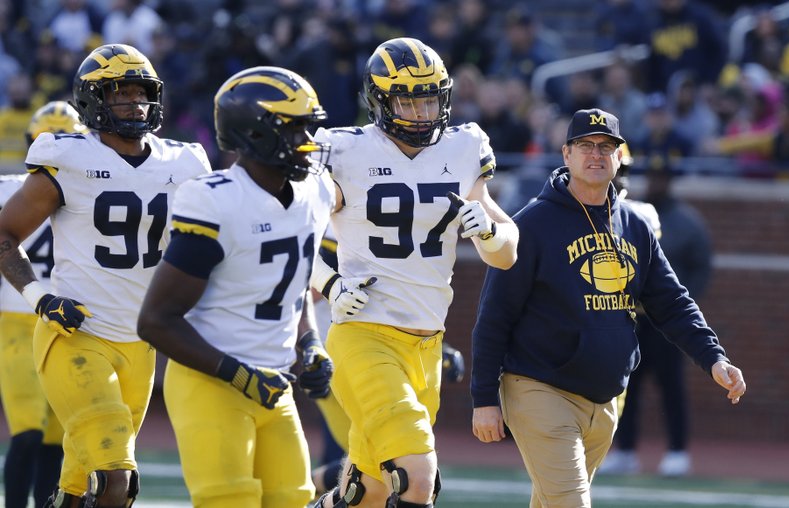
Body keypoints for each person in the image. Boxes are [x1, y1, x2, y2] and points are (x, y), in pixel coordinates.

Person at [470, 108, 746, 508]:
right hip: (540, 388)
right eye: (585, 145)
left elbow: (672, 302)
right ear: (566, 154)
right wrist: (484, 399)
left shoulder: (634, 225)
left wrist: (714, 358)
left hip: (604, 401)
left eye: (606, 147)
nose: (596, 155)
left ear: (619, 158)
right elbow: (494, 315)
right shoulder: (530, 224)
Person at [310, 37, 519, 508]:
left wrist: (489, 233)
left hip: (426, 345)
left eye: (429, 99)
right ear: (379, 101)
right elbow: (293, 235)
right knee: (417, 478)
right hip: (364, 337)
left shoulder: (464, 147)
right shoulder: (344, 151)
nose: (422, 112)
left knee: (367, 492)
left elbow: (506, 254)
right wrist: (328, 282)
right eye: (408, 100)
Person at [0, 43, 211, 507]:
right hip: (77, 333)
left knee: (78, 489)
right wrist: (39, 297)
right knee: (118, 479)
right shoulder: (69, 157)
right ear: (94, 101)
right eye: (120, 93)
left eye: (141, 93)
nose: (134, 103)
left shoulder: (184, 163)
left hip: (141, 344)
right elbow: (4, 235)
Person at [136, 66, 334, 508]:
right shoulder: (216, 200)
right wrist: (238, 374)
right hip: (211, 382)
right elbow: (155, 321)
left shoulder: (315, 192)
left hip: (272, 385)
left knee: (292, 500)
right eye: (295, 128)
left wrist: (311, 343)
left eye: (309, 127)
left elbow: (290, 288)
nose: (308, 141)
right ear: (255, 134)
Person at [308, 235, 466, 497]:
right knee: (393, 457)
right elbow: (300, 286)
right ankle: (299, 485)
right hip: (338, 353)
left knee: (373, 461)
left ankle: (301, 486)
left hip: (376, 354)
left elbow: (400, 297)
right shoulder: (339, 216)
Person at [0, 101, 87, 508]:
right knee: (30, 432)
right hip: (20, 320)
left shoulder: (91, 193)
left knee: (56, 437)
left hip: (65, 325)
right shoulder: (9, 188)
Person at [601, 160, 713, 477]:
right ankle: (625, 451)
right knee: (626, 388)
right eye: (651, 176)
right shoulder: (630, 214)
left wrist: (678, 303)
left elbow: (701, 266)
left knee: (672, 387)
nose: (655, 182)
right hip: (632, 319)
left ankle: (677, 451)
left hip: (665, 324)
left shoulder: (686, 221)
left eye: (661, 177)